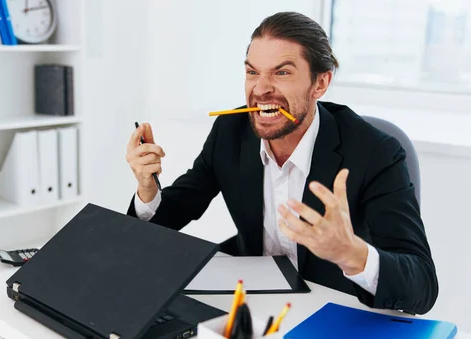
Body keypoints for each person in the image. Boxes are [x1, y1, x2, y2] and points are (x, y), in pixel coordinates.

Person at [124, 12, 438, 315]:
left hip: (334, 309)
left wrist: (351, 254)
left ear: (320, 84)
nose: (260, 89)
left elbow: (422, 285)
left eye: (282, 72)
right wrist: (147, 188)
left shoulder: (375, 152)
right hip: (252, 305)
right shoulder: (230, 131)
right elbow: (176, 211)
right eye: (252, 72)